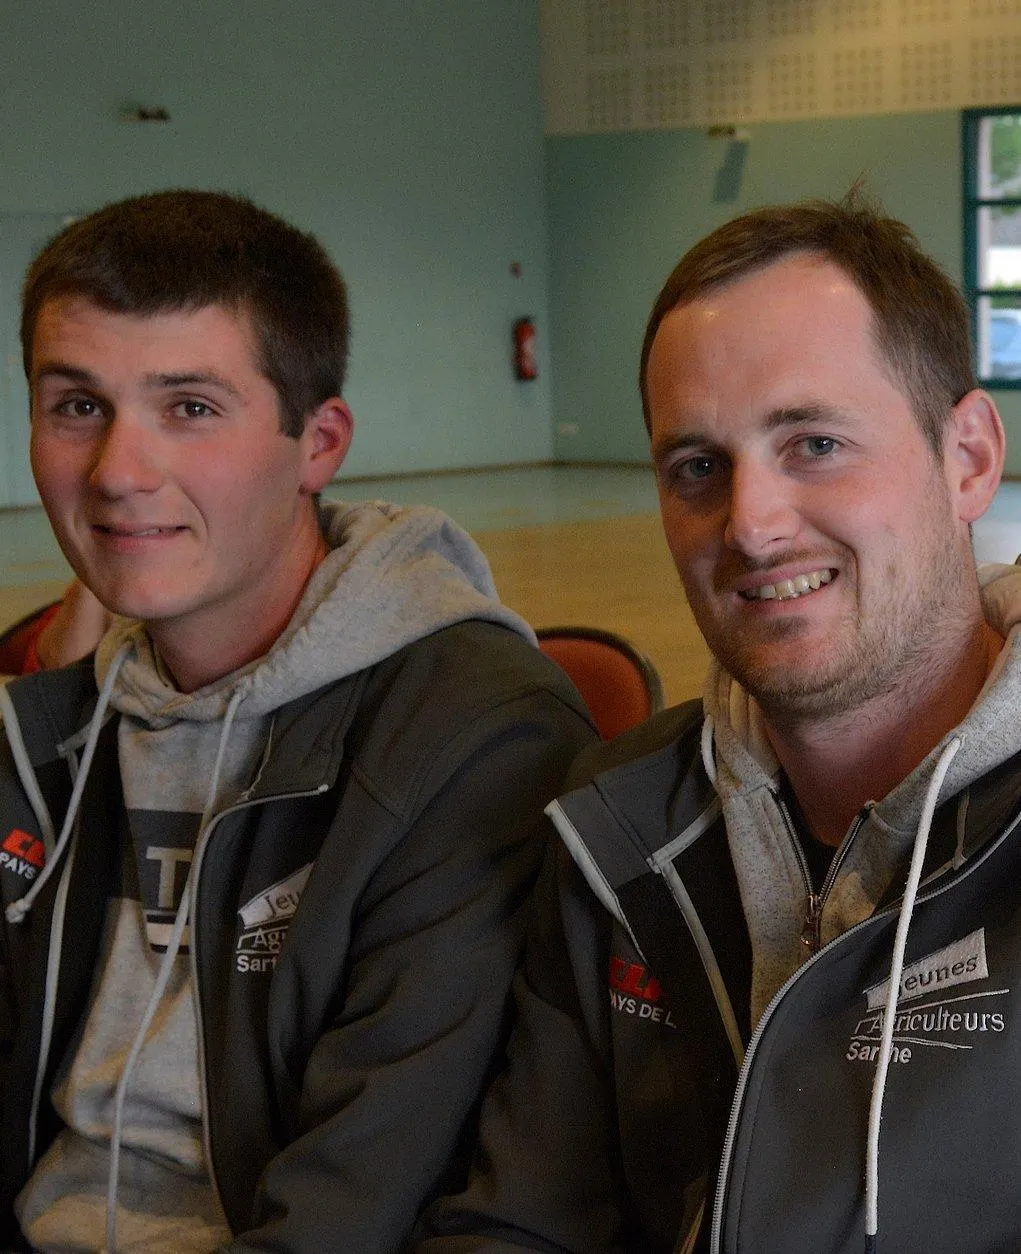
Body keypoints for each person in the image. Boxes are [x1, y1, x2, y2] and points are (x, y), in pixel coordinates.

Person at [415, 196, 1021, 1254]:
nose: (750, 524)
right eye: (697, 467)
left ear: (967, 458)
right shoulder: (618, 827)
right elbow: (522, 1220)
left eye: (815, 443)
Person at [0, 190, 595, 1253]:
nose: (119, 473)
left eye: (190, 407)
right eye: (78, 406)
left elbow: (358, 1203)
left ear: (318, 444)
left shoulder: (466, 738)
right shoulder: (48, 736)